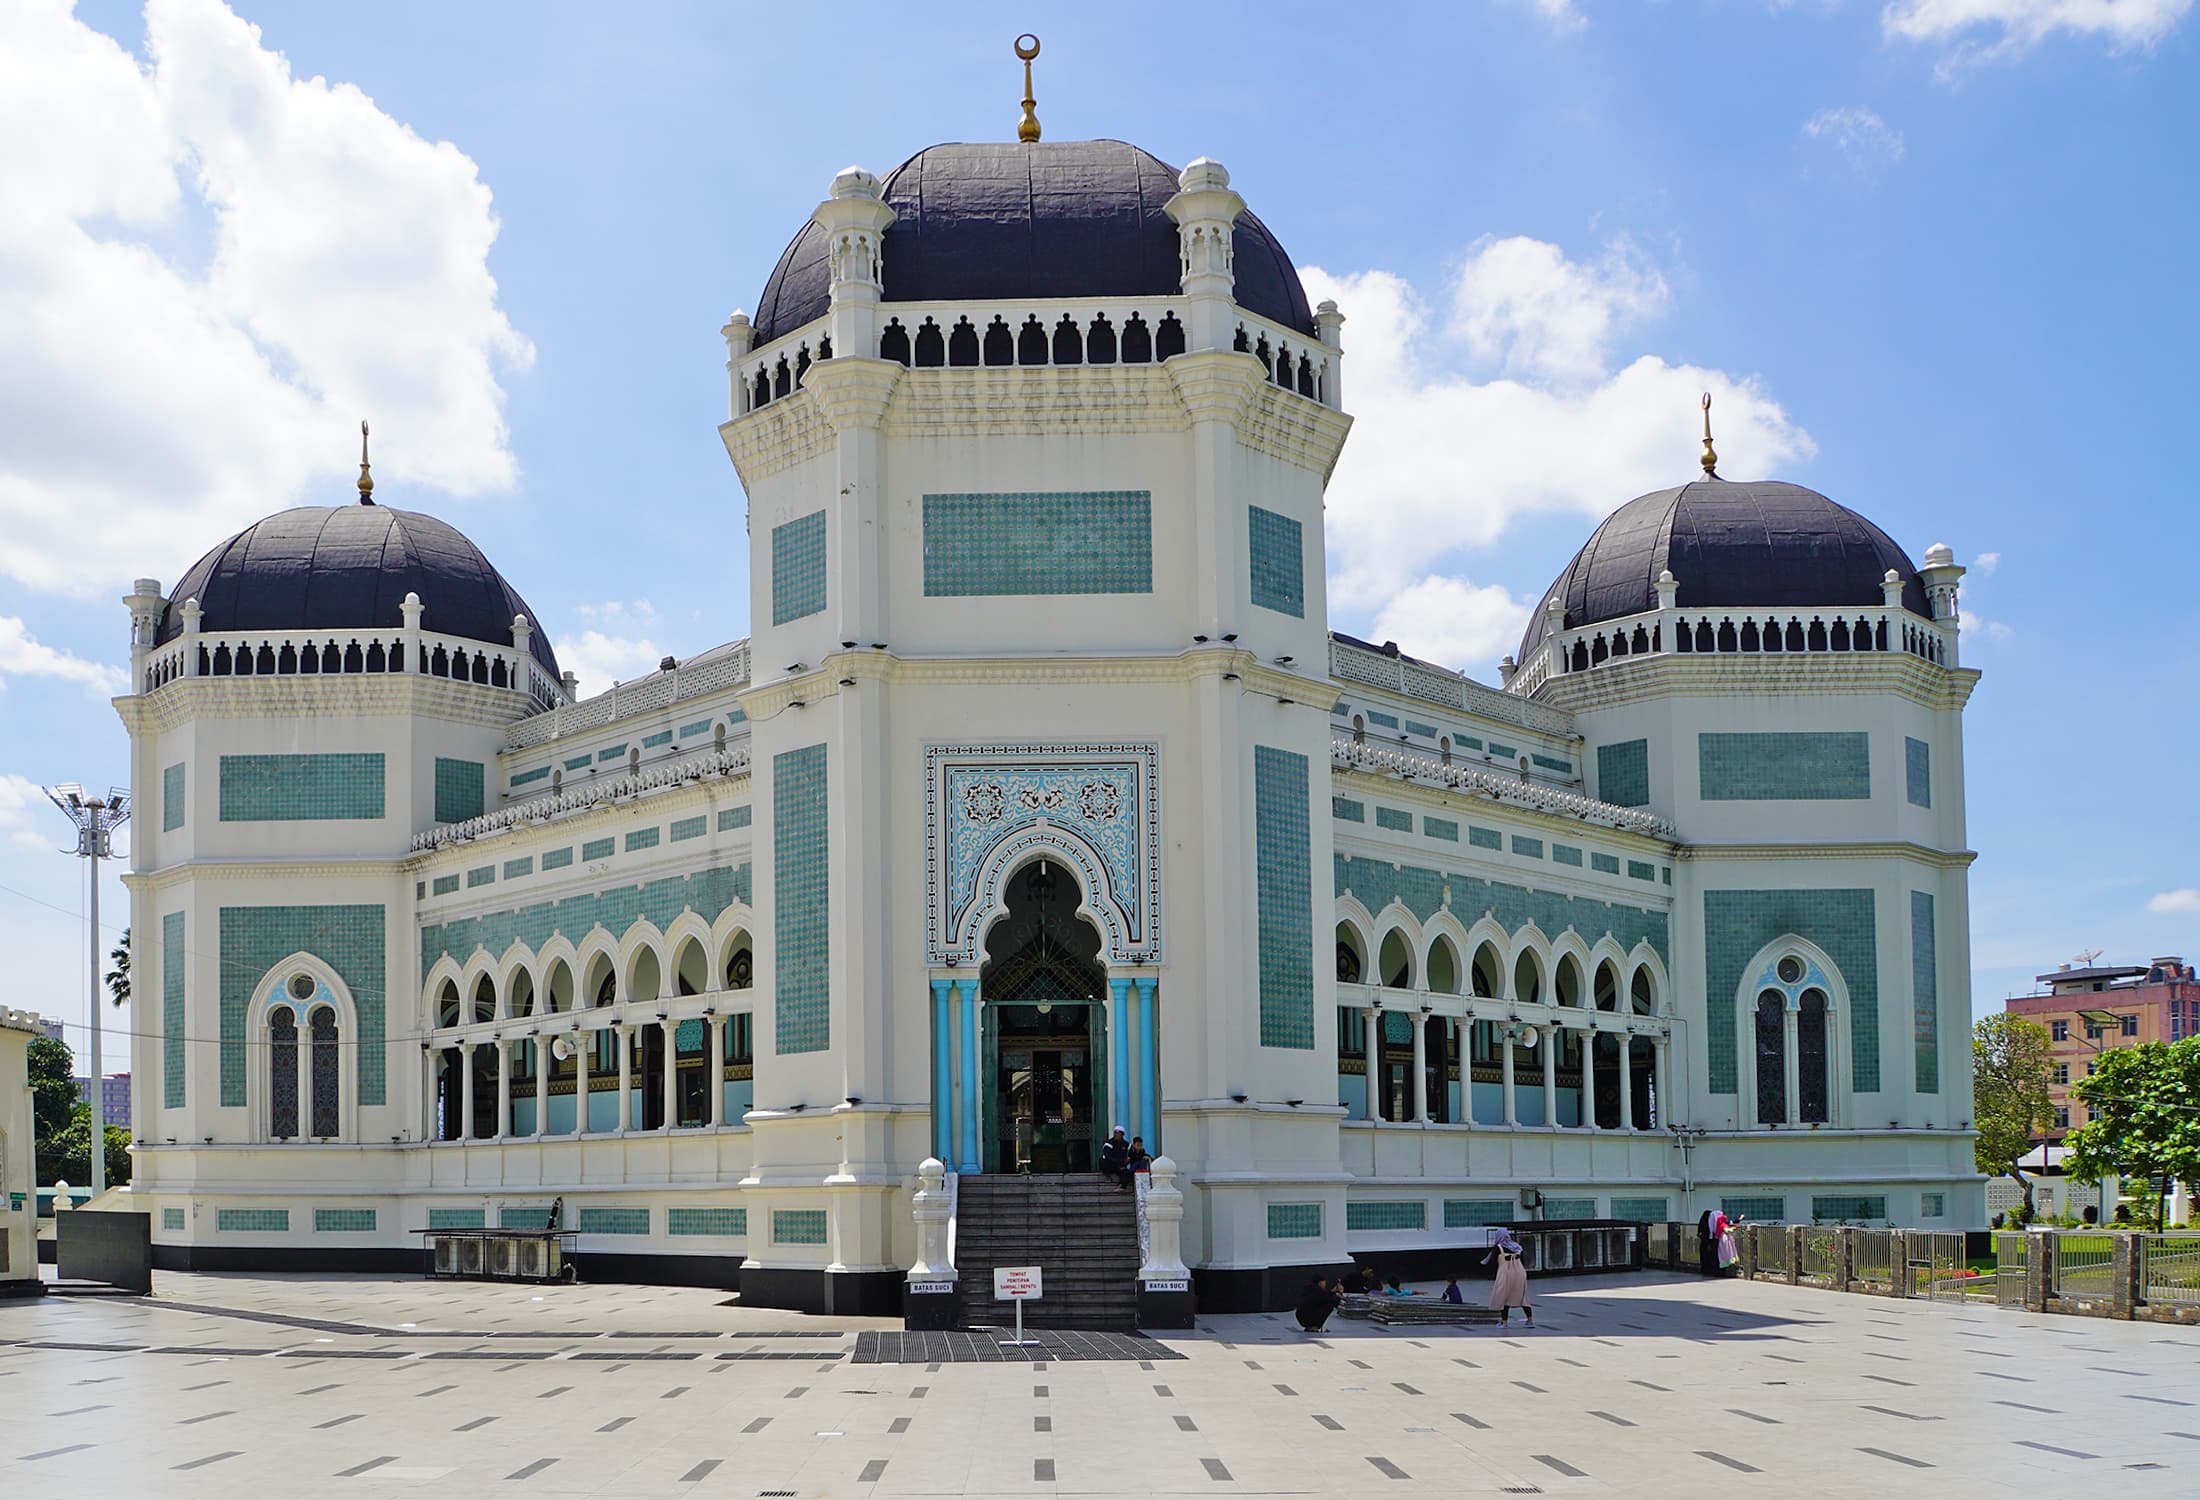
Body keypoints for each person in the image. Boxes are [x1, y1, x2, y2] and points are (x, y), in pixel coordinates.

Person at [1486, 1230, 1533, 1326]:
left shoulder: (1498, 1248)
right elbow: (1523, 1261)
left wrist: (1493, 1276)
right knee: (1523, 1297)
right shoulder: (1517, 1247)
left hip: (1505, 1274)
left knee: (1504, 1297)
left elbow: (1493, 1263)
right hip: (1520, 1273)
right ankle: (1530, 1320)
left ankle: (1504, 1322)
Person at [1098, 1126, 1131, 1190]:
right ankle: (1107, 1175)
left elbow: (1131, 1154)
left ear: (1122, 1134)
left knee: (1126, 1172)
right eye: (1115, 1132)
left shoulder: (1127, 1145)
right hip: (1110, 1165)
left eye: (1118, 1133)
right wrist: (1121, 1162)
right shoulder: (1109, 1143)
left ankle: (1121, 1187)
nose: (1116, 1134)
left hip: (1119, 1166)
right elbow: (1108, 1157)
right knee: (1102, 1161)